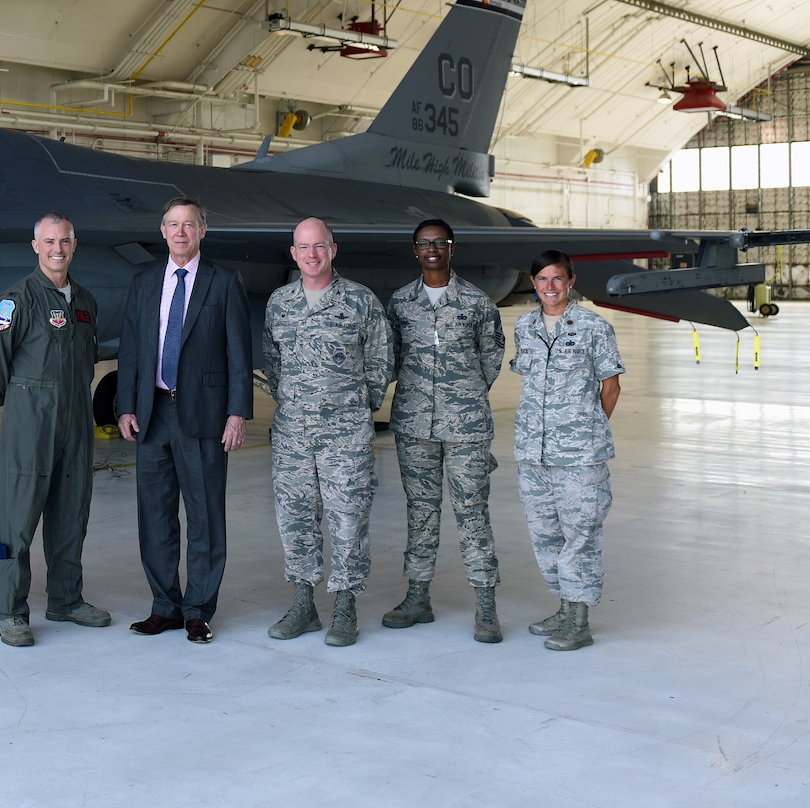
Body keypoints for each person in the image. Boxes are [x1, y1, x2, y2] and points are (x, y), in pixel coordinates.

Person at [114, 196, 252, 644]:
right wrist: (125, 405)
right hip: (153, 413)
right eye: (173, 225)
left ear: (202, 231)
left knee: (206, 517)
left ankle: (198, 610)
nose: (180, 232)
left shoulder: (224, 282)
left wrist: (237, 413)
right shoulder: (144, 282)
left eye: (189, 225)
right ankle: (165, 606)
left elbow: (238, 354)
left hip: (205, 416)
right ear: (162, 231)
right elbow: (132, 350)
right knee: (155, 517)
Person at [0, 211, 112, 647]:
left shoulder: (85, 301)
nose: (57, 248)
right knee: (17, 519)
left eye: (65, 241)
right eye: (49, 241)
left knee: (71, 514)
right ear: (36, 246)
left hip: (75, 421)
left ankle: (66, 599)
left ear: (74, 245)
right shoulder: (16, 299)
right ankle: (10, 611)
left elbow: (87, 360)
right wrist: (23, 401)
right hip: (31, 424)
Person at [261, 217, 392, 648]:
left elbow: (380, 363)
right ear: (293, 254)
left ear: (332, 250)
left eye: (319, 246)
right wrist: (297, 404)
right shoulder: (280, 303)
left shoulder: (360, 301)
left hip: (345, 435)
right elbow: (273, 361)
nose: (312, 254)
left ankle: (345, 606)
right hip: (293, 435)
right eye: (303, 247)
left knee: (349, 519)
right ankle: (304, 605)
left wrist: (355, 407)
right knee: (295, 519)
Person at [382, 218, 508, 642]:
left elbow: (491, 356)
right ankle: (418, 598)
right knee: (420, 511)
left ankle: (486, 607)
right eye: (424, 243)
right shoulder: (400, 303)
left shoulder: (475, 301)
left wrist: (464, 396)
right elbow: (392, 357)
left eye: (440, 242)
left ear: (452, 248)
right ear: (414, 250)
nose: (432, 249)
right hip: (414, 423)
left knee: (472, 513)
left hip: (467, 426)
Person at [511, 249, 624, 652]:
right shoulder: (525, 326)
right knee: (546, 535)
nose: (550, 287)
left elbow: (610, 386)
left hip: (579, 456)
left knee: (581, 535)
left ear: (571, 281)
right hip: (533, 453)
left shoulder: (594, 327)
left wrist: (586, 430)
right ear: (534, 283)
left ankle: (579, 620)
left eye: (557, 279)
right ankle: (564, 607)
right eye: (542, 280)